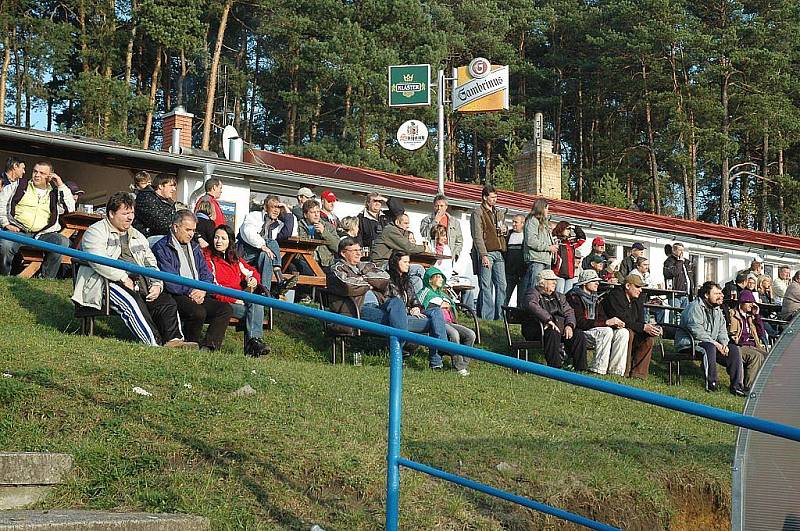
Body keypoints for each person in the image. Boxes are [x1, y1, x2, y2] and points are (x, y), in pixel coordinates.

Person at [71, 192, 194, 348]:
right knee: (131, 302)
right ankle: (154, 344)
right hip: (105, 282)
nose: (130, 217)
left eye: (132, 213)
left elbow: (150, 262)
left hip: (139, 282)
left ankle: (174, 340)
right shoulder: (95, 232)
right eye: (125, 213)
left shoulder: (137, 235)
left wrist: (156, 284)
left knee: (166, 301)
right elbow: (99, 262)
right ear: (111, 214)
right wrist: (123, 277)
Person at [152, 210, 233, 351]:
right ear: (175, 227)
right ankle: (190, 343)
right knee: (198, 312)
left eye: (193, 230)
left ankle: (209, 347)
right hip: (177, 294)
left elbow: (206, 274)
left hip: (198, 291)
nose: (191, 234)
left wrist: (202, 290)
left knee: (225, 309)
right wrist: (191, 291)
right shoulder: (162, 247)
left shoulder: (195, 247)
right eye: (188, 229)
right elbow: (170, 280)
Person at [326, 237, 409, 353]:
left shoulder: (365, 266)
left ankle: (399, 347)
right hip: (355, 310)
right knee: (400, 320)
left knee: (397, 303)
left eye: (359, 250)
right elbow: (348, 285)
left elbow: (384, 278)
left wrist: (362, 278)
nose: (358, 253)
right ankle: (398, 350)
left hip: (378, 306)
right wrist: (370, 284)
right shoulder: (337, 268)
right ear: (343, 253)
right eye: (354, 250)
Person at [204, 224, 270, 357]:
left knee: (256, 303)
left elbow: (252, 271)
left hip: (240, 298)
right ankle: (254, 344)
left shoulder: (234, 259)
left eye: (223, 238)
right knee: (253, 310)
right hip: (222, 302)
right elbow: (214, 288)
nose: (219, 241)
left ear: (230, 241)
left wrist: (253, 280)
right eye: (216, 237)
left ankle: (254, 343)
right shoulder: (208, 257)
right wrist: (235, 299)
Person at [0, 160, 73, 278]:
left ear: (50, 176)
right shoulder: (18, 186)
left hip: (43, 234)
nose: (37, 175)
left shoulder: (55, 194)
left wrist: (60, 184)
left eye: (42, 173)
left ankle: (46, 279)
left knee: (62, 241)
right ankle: (3, 277)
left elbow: (70, 207)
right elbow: (1, 203)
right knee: (5, 244)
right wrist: (6, 223)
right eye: (35, 171)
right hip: (19, 231)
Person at [675, 281, 747, 395]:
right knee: (709, 347)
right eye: (717, 293)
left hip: (710, 344)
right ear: (706, 295)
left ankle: (737, 387)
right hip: (690, 343)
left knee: (734, 349)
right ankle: (712, 383)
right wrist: (716, 344)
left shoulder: (717, 310)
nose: (721, 296)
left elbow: (722, 330)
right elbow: (697, 332)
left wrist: (724, 344)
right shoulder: (695, 307)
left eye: (721, 293)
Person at [388, 251, 449, 370]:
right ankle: (437, 359)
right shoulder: (388, 279)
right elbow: (393, 302)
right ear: (396, 262)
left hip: (412, 312)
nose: (408, 265)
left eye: (408, 262)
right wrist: (410, 309)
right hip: (400, 315)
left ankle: (443, 346)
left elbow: (414, 298)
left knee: (436, 311)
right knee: (433, 323)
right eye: (405, 262)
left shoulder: (407, 280)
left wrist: (416, 307)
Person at [521, 269, 587, 370]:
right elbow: (531, 305)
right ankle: (555, 367)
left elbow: (569, 311)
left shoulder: (559, 296)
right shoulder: (532, 293)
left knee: (579, 334)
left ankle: (581, 368)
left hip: (559, 327)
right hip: (537, 329)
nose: (555, 283)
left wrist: (570, 325)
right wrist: (548, 320)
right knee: (553, 332)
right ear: (542, 282)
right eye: (552, 280)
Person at [566, 270, 629, 376]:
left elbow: (602, 318)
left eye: (598, 281)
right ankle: (598, 368)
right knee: (606, 331)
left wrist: (613, 323)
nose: (597, 283)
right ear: (585, 283)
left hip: (595, 331)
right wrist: (606, 322)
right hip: (581, 333)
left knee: (623, 332)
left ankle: (616, 371)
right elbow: (580, 322)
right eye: (594, 281)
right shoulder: (573, 297)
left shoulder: (596, 298)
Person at [601, 274, 662, 379]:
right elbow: (621, 320)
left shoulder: (637, 300)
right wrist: (643, 327)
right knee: (628, 333)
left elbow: (640, 321)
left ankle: (639, 374)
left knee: (648, 340)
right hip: (613, 330)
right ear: (628, 286)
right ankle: (624, 370)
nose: (641, 290)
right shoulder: (614, 296)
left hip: (631, 329)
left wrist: (651, 329)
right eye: (638, 287)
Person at [418, 266, 474, 376]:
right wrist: (438, 306)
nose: (441, 279)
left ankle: (464, 364)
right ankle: (458, 367)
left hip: (450, 322)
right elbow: (421, 308)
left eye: (442, 277)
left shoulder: (444, 295)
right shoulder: (424, 292)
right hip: (437, 322)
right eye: (438, 277)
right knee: (454, 334)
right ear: (430, 279)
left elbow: (453, 308)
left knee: (470, 334)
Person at [236, 194, 296, 296]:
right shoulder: (254, 216)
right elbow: (248, 231)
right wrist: (263, 246)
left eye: (278, 208)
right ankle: (279, 275)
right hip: (246, 254)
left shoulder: (278, 224)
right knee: (272, 242)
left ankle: (265, 291)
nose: (276, 210)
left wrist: (287, 210)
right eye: (273, 207)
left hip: (261, 256)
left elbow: (287, 232)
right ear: (265, 207)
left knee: (266, 256)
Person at [470, 185, 507, 320]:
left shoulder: (498, 212)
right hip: (487, 251)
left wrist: (505, 230)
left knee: (502, 285)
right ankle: (487, 317)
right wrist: (483, 255)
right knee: (486, 285)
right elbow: (477, 236)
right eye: (492, 197)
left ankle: (500, 316)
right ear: (485, 197)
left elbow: (504, 228)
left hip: (499, 251)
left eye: (496, 197)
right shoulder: (478, 212)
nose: (495, 200)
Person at [726, 290, 767, 390]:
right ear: (742, 302)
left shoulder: (751, 316)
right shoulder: (733, 314)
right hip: (740, 345)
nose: (751, 305)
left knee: (769, 357)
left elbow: (761, 333)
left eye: (752, 302)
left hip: (753, 345)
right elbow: (731, 332)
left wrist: (757, 316)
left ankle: (764, 387)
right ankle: (749, 387)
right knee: (756, 356)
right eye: (748, 302)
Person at [521, 198, 556, 299]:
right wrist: (549, 247)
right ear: (541, 208)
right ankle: (530, 311)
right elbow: (531, 241)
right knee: (534, 289)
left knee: (545, 290)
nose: (547, 211)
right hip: (536, 260)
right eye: (546, 209)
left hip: (545, 260)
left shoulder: (544, 223)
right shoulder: (532, 221)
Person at [133, 172, 177, 241]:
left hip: (165, 237)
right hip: (146, 239)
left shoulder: (170, 202)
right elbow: (160, 223)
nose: (174, 189)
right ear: (160, 186)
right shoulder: (146, 197)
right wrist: (180, 229)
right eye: (171, 185)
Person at [419, 194, 463, 263]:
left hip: (448, 255)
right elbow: (424, 235)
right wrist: (435, 221)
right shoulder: (427, 220)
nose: (439, 208)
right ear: (434, 207)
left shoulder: (454, 222)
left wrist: (455, 254)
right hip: (433, 254)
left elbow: (459, 241)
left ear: (446, 207)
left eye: (441, 206)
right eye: (437, 206)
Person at [297, 199, 339, 267]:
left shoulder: (328, 226)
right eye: (313, 212)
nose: (316, 215)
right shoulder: (298, 226)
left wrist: (324, 232)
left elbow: (337, 247)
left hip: (326, 263)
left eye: (318, 212)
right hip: (304, 261)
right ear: (305, 215)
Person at [551, 220, 585, 293]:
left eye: (570, 229)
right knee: (559, 294)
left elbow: (582, 239)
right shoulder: (556, 241)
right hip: (559, 273)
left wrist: (575, 227)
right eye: (567, 229)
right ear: (561, 228)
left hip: (570, 275)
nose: (569, 231)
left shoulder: (570, 243)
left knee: (567, 297)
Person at [663, 242, 694, 307]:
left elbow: (689, 277)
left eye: (683, 250)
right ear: (673, 251)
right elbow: (672, 273)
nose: (682, 252)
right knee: (675, 315)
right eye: (679, 250)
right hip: (675, 294)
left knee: (684, 315)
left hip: (686, 294)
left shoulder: (686, 262)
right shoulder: (669, 261)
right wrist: (679, 262)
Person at [504, 214, 526, 305]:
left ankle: (518, 318)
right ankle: (501, 317)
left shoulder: (527, 236)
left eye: (516, 222)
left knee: (521, 299)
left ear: (523, 223)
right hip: (509, 272)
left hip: (523, 273)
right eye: (512, 222)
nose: (513, 224)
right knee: (505, 296)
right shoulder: (508, 235)